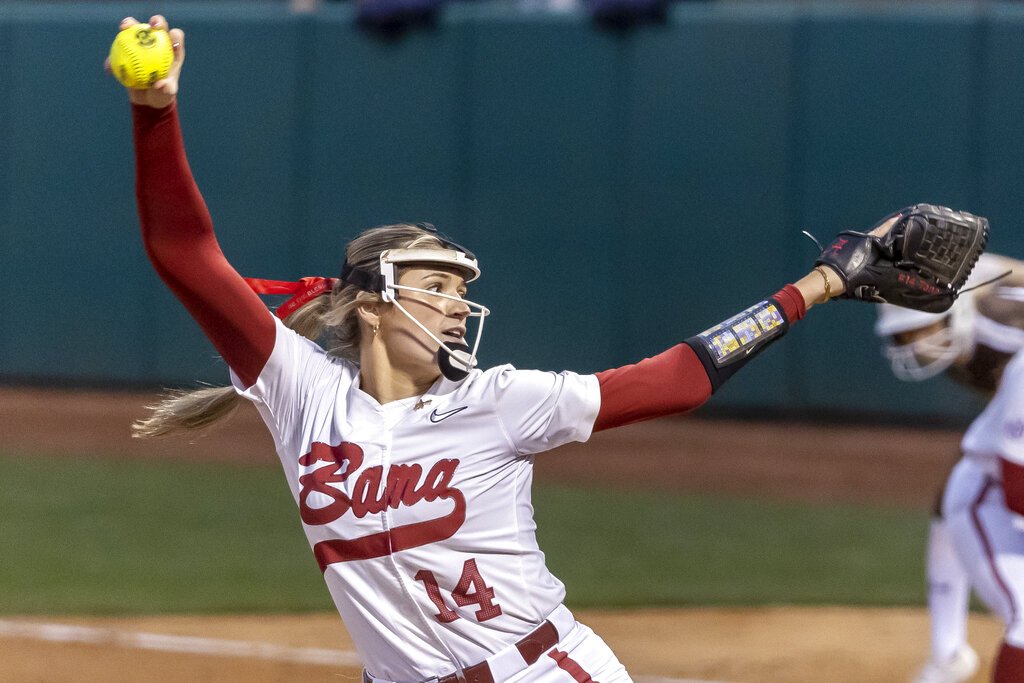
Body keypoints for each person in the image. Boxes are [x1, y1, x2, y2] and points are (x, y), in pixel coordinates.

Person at [110, 14, 948, 682]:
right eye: (434, 286)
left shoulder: (498, 400)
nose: (455, 304)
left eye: (459, 290)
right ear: (370, 305)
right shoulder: (302, 395)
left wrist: (822, 284)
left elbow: (679, 379)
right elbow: (186, 254)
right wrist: (157, 115)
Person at [874, 252, 1024, 683]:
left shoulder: (1005, 326)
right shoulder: (973, 340)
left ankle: (947, 653)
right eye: (905, 337)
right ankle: (947, 651)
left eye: (918, 329)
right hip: (1002, 457)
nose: (916, 345)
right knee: (961, 490)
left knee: (963, 487)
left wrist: (989, 269)